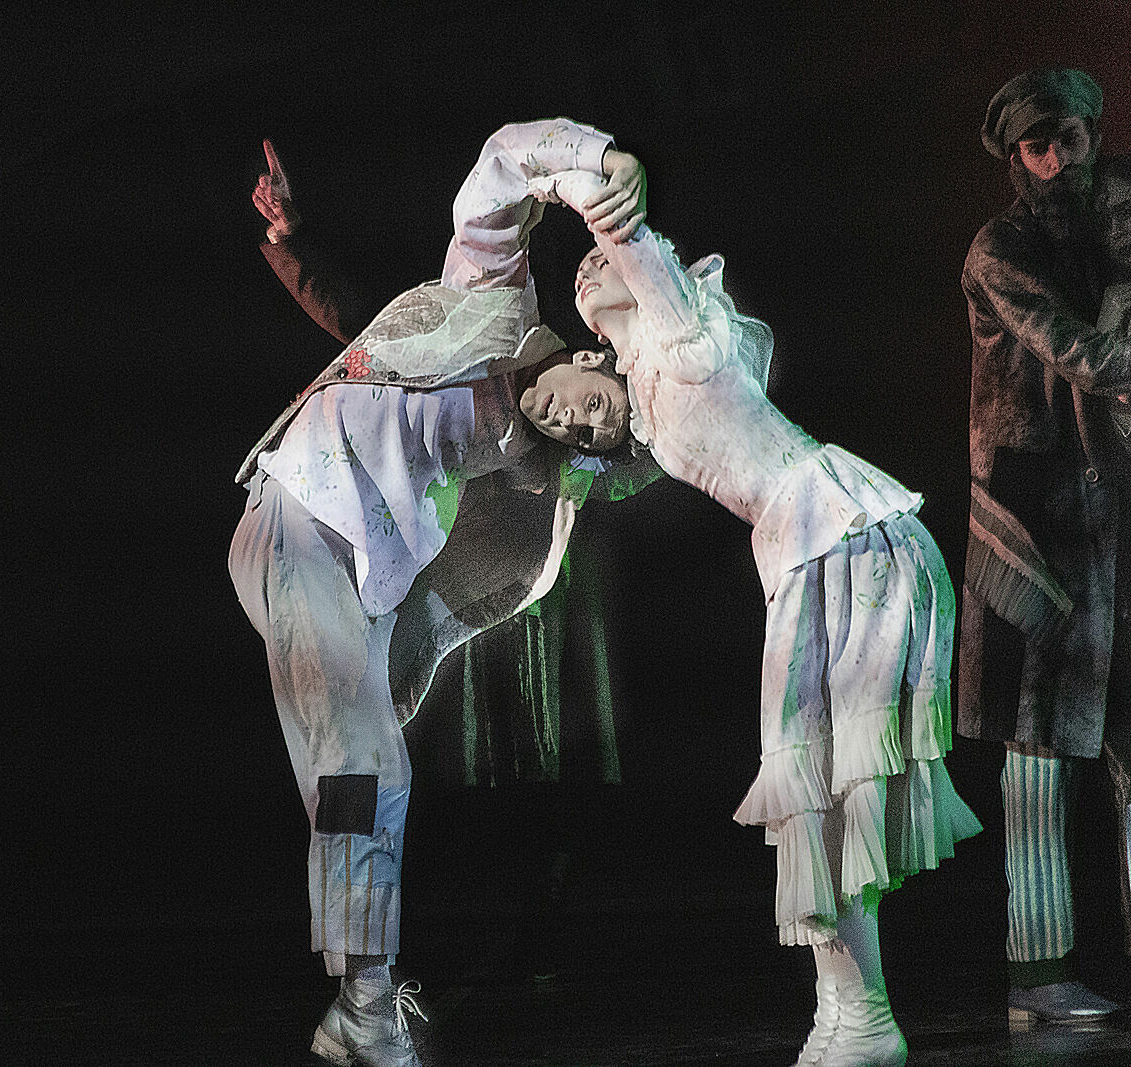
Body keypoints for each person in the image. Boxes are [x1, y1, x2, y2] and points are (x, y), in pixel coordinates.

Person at [229, 117, 660, 1067]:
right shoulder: (492, 302)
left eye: (587, 438)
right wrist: (602, 162)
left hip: (355, 567)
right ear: (592, 360)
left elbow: (464, 602)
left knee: (364, 768)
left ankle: (360, 998)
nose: (572, 422)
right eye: (593, 407)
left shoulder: (519, 488)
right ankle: (365, 1006)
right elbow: (500, 169)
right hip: (302, 503)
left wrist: (392, 686)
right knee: (364, 766)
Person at [567, 171, 983, 1062]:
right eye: (581, 273)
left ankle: (864, 1015)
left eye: (598, 260)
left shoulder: (683, 330)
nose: (586, 269)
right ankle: (844, 1009)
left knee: (827, 784)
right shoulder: (643, 388)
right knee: (808, 789)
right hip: (805, 551)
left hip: (844, 534)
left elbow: (628, 236)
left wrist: (576, 178)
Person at [957, 66, 1131, 1028]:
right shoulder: (1002, 247)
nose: (1056, 162)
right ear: (1015, 158)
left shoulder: (1113, 227)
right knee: (1038, 748)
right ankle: (1039, 974)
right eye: (1037, 148)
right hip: (1032, 525)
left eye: (1069, 141)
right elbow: (1080, 351)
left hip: (1109, 517)